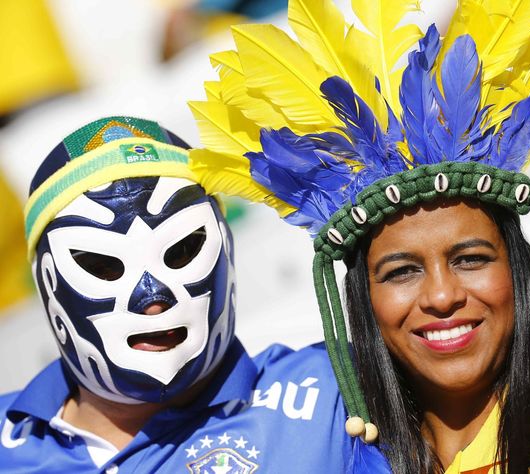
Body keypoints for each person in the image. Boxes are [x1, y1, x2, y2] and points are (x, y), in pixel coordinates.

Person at [187, 0, 530, 472]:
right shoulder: (320, 441)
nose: (442, 296)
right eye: (401, 271)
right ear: (363, 301)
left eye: (470, 259)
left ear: (520, 269)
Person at [0, 116, 355, 472]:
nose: (152, 298)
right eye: (103, 265)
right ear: (47, 281)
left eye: (182, 250)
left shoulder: (334, 392)